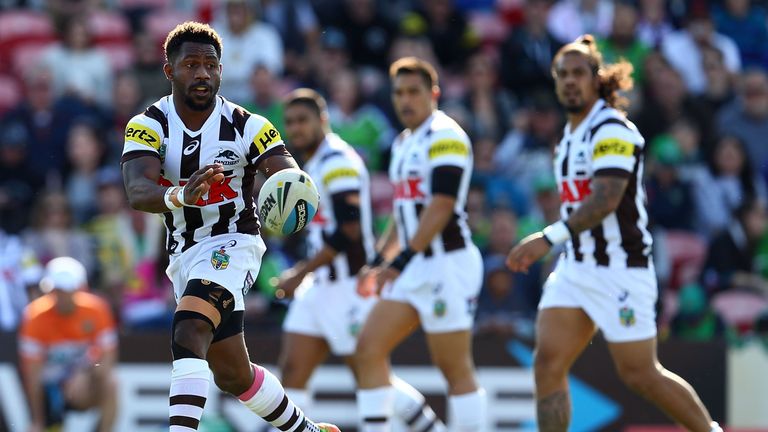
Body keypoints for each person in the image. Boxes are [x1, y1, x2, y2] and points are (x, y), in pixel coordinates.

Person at [120, 22, 338, 432]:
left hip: (234, 243)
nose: (202, 73)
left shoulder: (248, 125)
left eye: (210, 65)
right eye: (191, 64)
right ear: (169, 70)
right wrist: (183, 195)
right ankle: (306, 430)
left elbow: (283, 169)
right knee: (233, 374)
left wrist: (291, 191)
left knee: (189, 328)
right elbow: (137, 189)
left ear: (221, 71)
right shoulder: (147, 124)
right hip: (184, 251)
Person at [505, 34, 722, 432]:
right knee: (547, 364)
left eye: (578, 73)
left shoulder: (612, 130)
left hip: (621, 268)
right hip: (576, 268)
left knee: (640, 374)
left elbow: (605, 200)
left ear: (596, 79)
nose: (570, 81)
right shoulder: (567, 138)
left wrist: (548, 238)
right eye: (562, 74)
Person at [277, 88, 445, 431]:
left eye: (303, 120)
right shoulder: (311, 163)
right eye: (290, 123)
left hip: (349, 287)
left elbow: (349, 230)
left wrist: (299, 273)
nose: (296, 129)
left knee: (372, 377)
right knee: (293, 372)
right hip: (318, 286)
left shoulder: (338, 161)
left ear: (323, 120)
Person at [355, 57, 486, 431]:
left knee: (454, 368)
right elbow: (403, 214)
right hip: (413, 266)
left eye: (414, 92)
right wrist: (380, 260)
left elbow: (441, 205)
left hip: (448, 265)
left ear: (434, 94)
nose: (405, 100)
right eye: (399, 93)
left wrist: (401, 261)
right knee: (367, 349)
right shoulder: (402, 142)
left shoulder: (446, 134)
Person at [18, 257, 118, 432]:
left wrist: (84, 372)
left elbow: (108, 359)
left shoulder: (97, 310)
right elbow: (33, 377)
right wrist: (37, 420)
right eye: (58, 290)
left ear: (80, 288)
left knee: (111, 384)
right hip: (49, 392)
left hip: (83, 386)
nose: (63, 296)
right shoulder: (34, 317)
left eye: (68, 290)